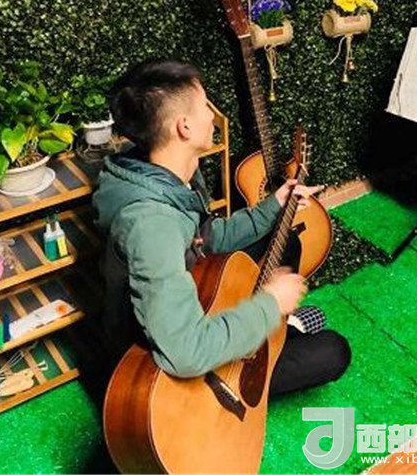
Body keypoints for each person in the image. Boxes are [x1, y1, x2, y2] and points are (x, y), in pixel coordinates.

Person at [92, 60, 350, 396]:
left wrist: (274, 205)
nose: (213, 116)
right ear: (184, 127)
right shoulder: (151, 225)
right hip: (161, 367)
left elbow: (207, 237)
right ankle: (267, 337)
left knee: (286, 240)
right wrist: (271, 304)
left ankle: (268, 332)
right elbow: (185, 352)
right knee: (333, 352)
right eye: (205, 106)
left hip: (185, 292)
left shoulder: (166, 169)